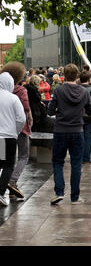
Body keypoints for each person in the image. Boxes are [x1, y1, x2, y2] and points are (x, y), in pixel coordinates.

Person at [48, 63, 91, 205]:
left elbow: (50, 110)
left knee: (57, 162)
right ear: (77, 75)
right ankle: (75, 196)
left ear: (64, 75)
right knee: (76, 164)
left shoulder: (59, 90)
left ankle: (59, 191)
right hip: (77, 130)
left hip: (60, 130)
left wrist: (58, 112)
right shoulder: (84, 92)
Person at [0, 62, 33, 200]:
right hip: (11, 134)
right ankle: (6, 186)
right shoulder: (16, 95)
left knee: (1, 161)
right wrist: (16, 131)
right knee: (14, 161)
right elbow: (21, 117)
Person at [0, 72, 26, 207]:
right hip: (9, 136)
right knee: (8, 165)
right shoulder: (13, 98)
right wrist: (15, 131)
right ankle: (0, 192)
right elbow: (21, 119)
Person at [79, 71, 91, 164]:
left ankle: (80, 156)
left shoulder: (77, 89)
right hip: (90, 116)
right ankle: (86, 157)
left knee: (80, 136)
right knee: (89, 137)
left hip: (79, 116)